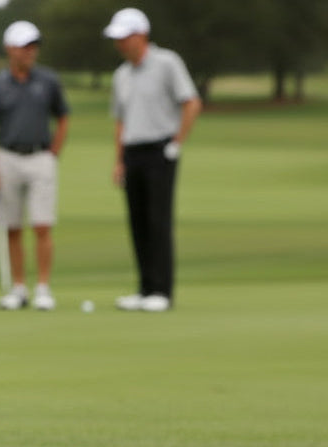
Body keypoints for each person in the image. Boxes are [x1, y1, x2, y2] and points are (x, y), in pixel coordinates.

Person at [104, 8, 202, 312]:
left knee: (158, 221)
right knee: (137, 222)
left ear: (141, 35)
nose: (120, 44)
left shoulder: (167, 63)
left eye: (124, 37)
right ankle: (145, 289)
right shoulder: (121, 75)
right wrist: (119, 160)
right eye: (117, 39)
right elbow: (120, 121)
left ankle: (162, 290)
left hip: (161, 150)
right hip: (132, 152)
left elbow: (191, 102)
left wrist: (176, 142)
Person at [0, 20, 70, 311]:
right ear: (10, 49)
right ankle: (19, 288)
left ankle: (43, 287)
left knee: (42, 225)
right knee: (12, 227)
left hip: (40, 156)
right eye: (25, 46)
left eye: (34, 46)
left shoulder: (48, 81)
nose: (31, 51)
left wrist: (54, 152)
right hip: (7, 157)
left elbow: (63, 118)